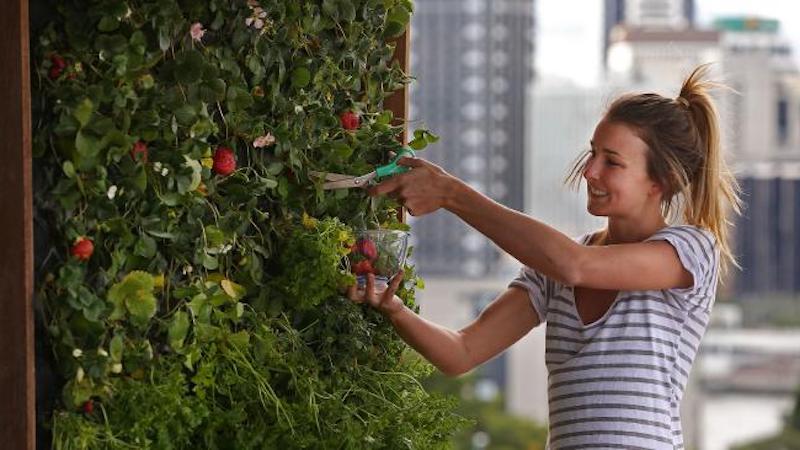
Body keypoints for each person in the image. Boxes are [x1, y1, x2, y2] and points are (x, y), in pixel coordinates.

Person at [346, 64, 741, 449]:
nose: (589, 172)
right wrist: (394, 308)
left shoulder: (690, 251)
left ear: (662, 181)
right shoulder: (551, 270)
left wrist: (451, 193)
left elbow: (576, 267)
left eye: (612, 162)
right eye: (592, 154)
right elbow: (461, 352)